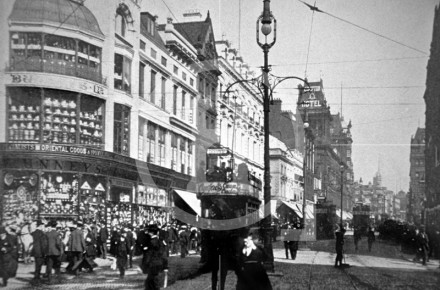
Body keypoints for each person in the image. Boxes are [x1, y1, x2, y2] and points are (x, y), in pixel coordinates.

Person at [142, 224, 168, 290]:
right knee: (152, 282)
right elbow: (163, 254)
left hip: (152, 265)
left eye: (149, 231)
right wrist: (165, 266)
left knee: (151, 284)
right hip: (159, 264)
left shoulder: (151, 242)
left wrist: (145, 265)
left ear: (151, 233)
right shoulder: (160, 242)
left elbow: (148, 255)